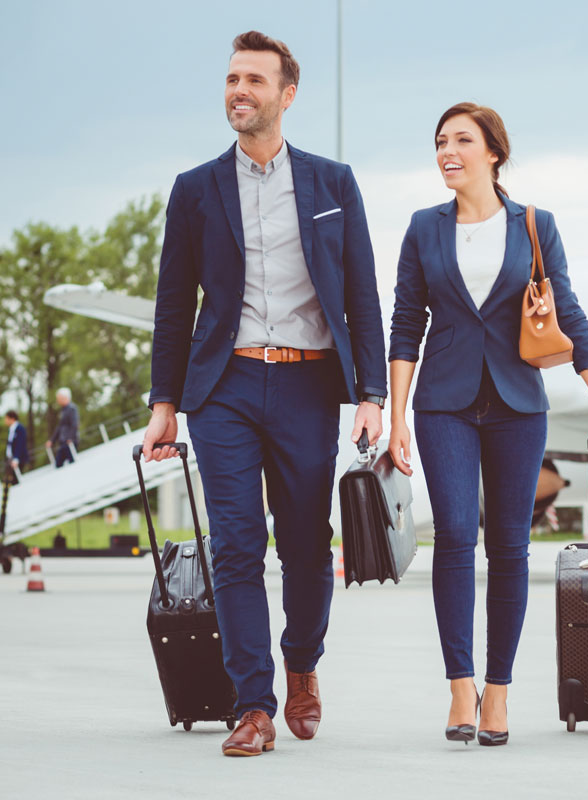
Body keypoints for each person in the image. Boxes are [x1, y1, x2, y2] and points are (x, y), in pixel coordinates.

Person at [142, 31, 386, 757]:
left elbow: (362, 295)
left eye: (253, 79)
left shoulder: (332, 183)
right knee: (238, 545)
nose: (238, 91)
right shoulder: (194, 189)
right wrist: (164, 402)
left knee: (309, 546)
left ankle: (303, 662)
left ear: (287, 93)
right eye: (230, 80)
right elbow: (170, 303)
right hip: (225, 385)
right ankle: (253, 704)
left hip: (310, 383)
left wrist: (370, 390)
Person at [388, 102, 588, 747]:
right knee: (454, 537)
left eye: (462, 140)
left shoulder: (533, 225)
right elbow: (405, 325)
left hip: (518, 402)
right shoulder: (423, 228)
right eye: (440, 141)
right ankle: (460, 687)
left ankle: (499, 691)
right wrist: (396, 417)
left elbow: (569, 313)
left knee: (510, 547)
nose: (448, 151)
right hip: (442, 401)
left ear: (493, 152)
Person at [46, 388, 79, 467]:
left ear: (64, 398)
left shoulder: (72, 409)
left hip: (69, 442)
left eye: (58, 398)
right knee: (58, 464)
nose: (57, 401)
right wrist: (52, 440)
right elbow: (59, 427)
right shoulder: (63, 410)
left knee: (72, 464)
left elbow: (74, 424)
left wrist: (70, 438)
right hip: (63, 442)